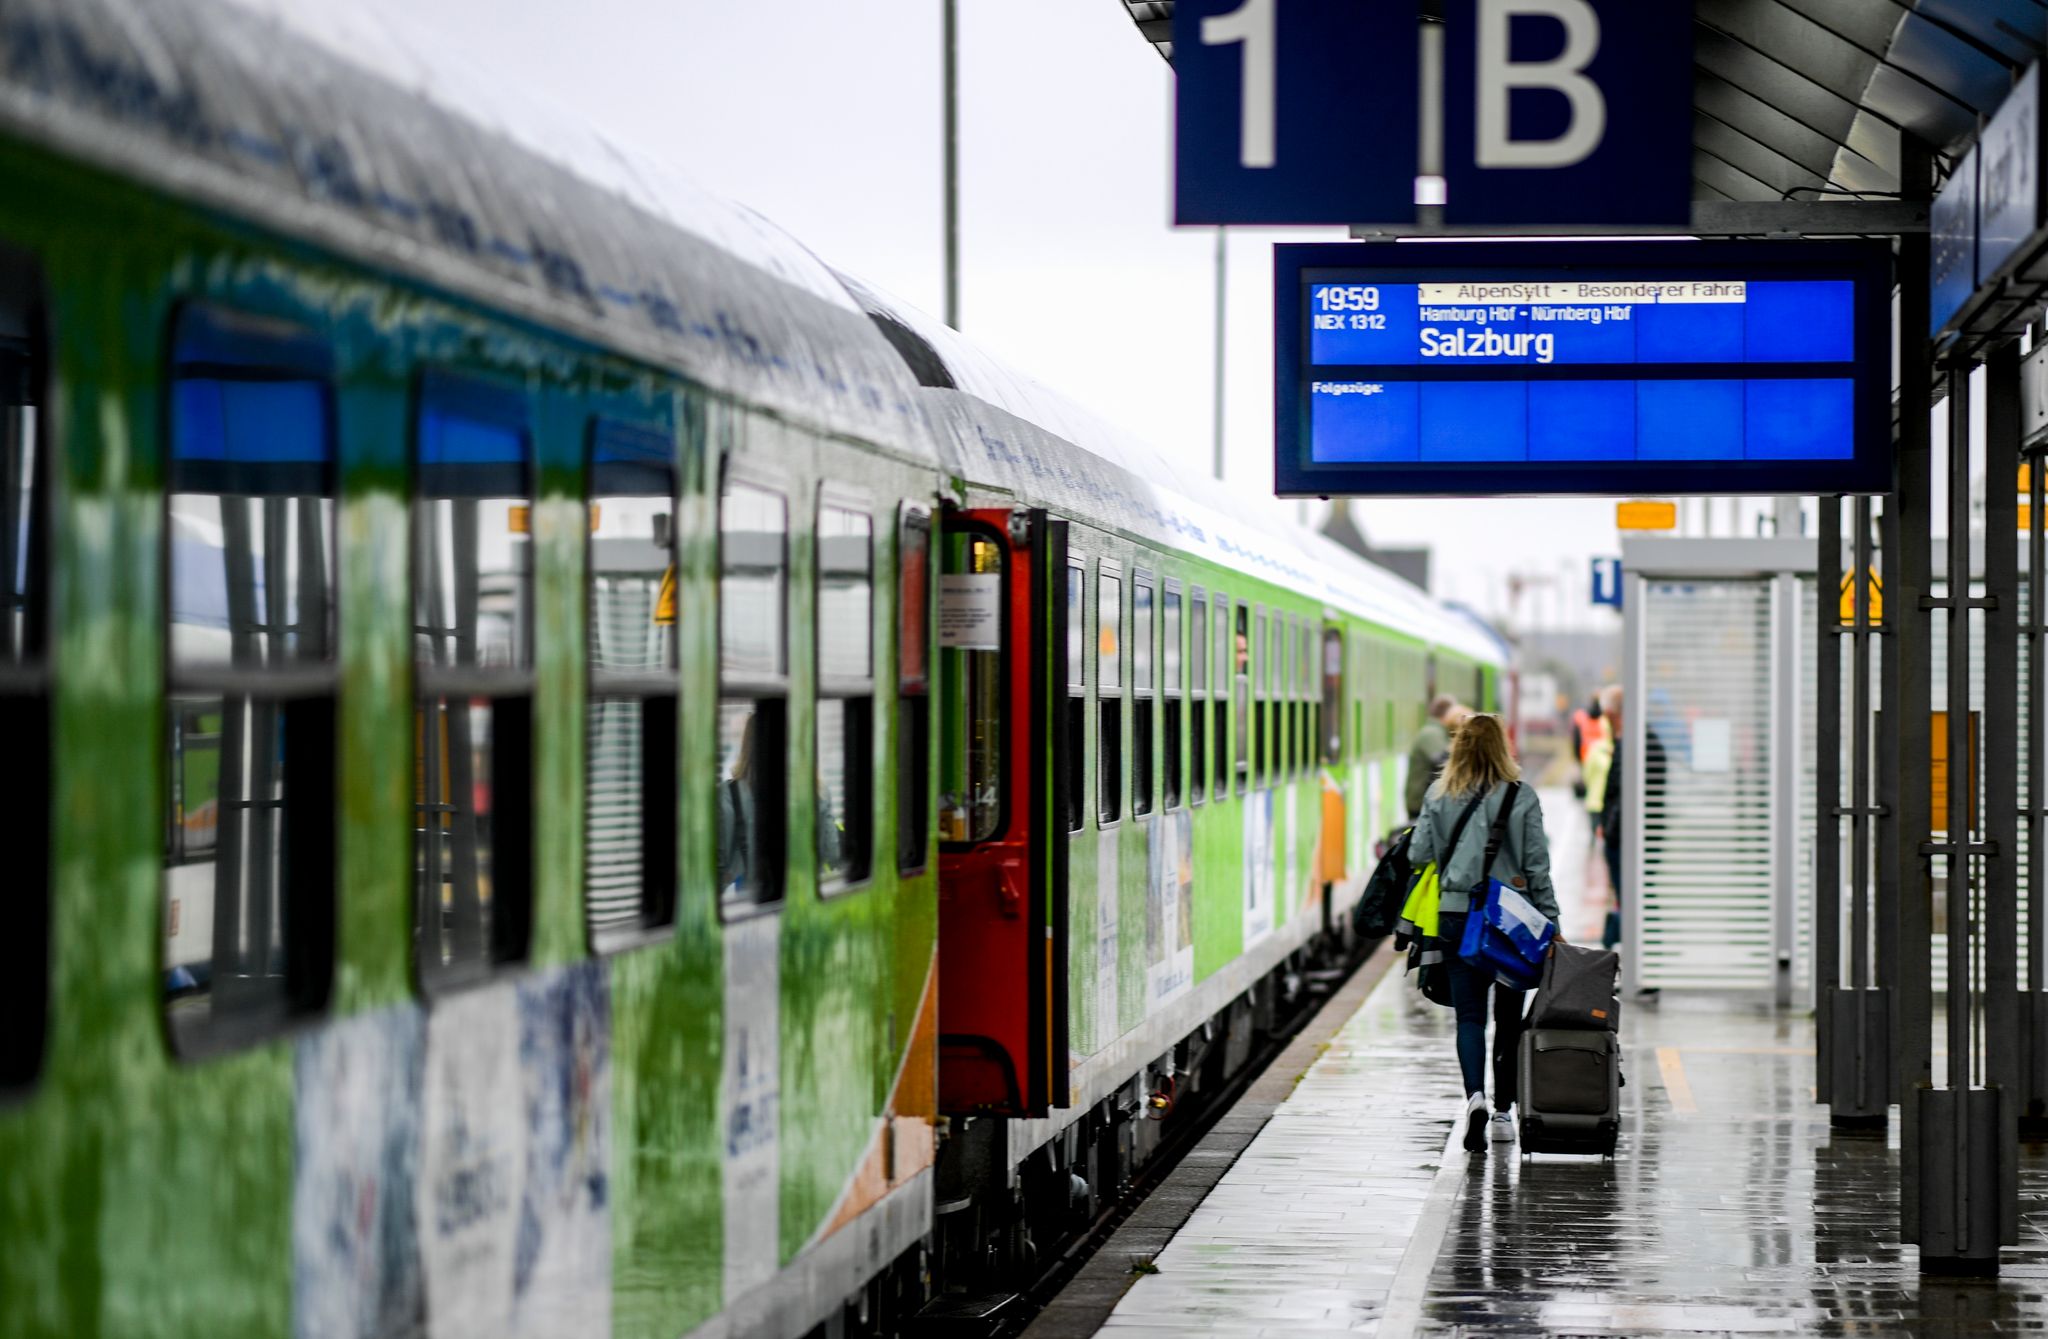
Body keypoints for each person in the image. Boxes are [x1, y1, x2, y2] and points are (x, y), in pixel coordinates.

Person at [1408, 713, 1560, 1150]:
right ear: (1502, 747)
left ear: (1458, 748)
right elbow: (1537, 868)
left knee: (1469, 1017)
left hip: (1457, 916)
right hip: (1512, 923)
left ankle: (1474, 1095)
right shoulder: (1522, 797)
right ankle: (1503, 1109)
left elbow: (1419, 853)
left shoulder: (1439, 793)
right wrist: (1553, 924)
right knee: (1508, 1016)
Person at [1596, 684, 1663, 956]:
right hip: (1631, 837)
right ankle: (1639, 961)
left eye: (1608, 717)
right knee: (1634, 899)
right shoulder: (1640, 740)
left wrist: (1610, 831)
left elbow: (1624, 795)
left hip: (1627, 840)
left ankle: (1643, 963)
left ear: (1615, 715)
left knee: (1635, 900)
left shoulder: (1634, 744)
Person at [1404, 694, 1460, 819]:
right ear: (1447, 714)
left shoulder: (1435, 731)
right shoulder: (1432, 733)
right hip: (1420, 803)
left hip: (1423, 801)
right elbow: (1444, 761)